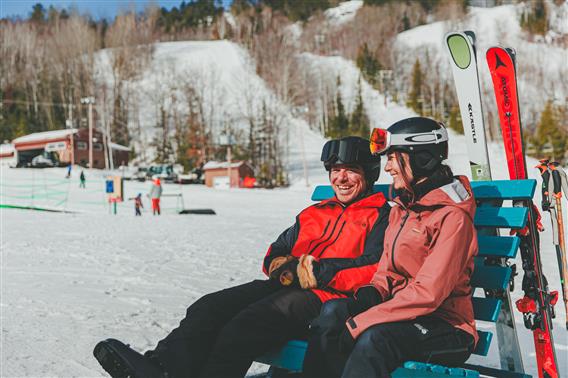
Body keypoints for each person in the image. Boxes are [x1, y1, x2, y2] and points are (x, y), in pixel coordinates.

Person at [92, 136, 390, 378]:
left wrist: (316, 271)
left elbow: (375, 266)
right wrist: (284, 268)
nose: (341, 178)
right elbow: (275, 252)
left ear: (368, 173)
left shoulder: (381, 216)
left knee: (245, 326)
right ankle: (163, 368)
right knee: (208, 307)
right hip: (288, 286)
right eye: (335, 170)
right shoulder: (314, 212)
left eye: (351, 170)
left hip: (328, 299)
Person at [303, 117, 478, 378]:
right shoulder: (403, 209)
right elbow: (386, 270)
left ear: (422, 159)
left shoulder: (453, 219)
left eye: (393, 159)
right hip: (403, 312)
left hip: (446, 325)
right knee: (333, 313)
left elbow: (428, 294)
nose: (387, 168)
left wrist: (364, 320)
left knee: (374, 339)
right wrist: (372, 293)